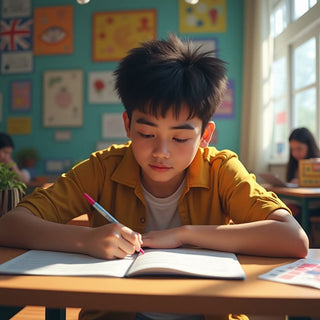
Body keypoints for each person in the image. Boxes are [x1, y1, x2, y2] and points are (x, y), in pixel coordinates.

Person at [0, 35, 308, 320]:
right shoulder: (103, 168)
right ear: (127, 124)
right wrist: (86, 239)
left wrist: (185, 234)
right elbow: (11, 225)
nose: (161, 152)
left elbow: (293, 239)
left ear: (205, 135)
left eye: (179, 139)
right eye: (146, 133)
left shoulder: (221, 170)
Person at [285, 127, 320, 217]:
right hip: (299, 204)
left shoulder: (317, 163)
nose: (296, 153)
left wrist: (303, 183)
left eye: (299, 148)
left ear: (309, 146)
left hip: (314, 207)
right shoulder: (294, 164)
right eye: (292, 149)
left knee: (289, 218)